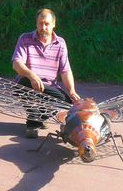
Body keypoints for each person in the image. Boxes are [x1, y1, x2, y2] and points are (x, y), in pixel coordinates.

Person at [12, 8, 80, 138]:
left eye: (47, 24)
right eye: (40, 23)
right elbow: (16, 63)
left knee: (66, 101)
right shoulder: (25, 39)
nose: (43, 27)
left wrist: (71, 90)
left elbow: (65, 70)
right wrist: (32, 76)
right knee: (22, 85)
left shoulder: (60, 43)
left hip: (49, 86)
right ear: (36, 24)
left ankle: (39, 118)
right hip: (27, 82)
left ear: (54, 24)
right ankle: (32, 125)